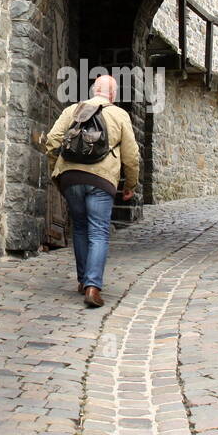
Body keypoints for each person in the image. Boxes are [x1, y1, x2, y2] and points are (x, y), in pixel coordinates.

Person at [44, 74, 140, 308]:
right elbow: (131, 156)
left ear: (93, 90)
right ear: (113, 95)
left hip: (71, 178)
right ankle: (92, 286)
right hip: (101, 179)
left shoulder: (72, 111)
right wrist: (130, 186)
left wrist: (56, 172)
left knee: (80, 228)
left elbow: (52, 141)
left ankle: (82, 281)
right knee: (98, 232)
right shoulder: (119, 115)